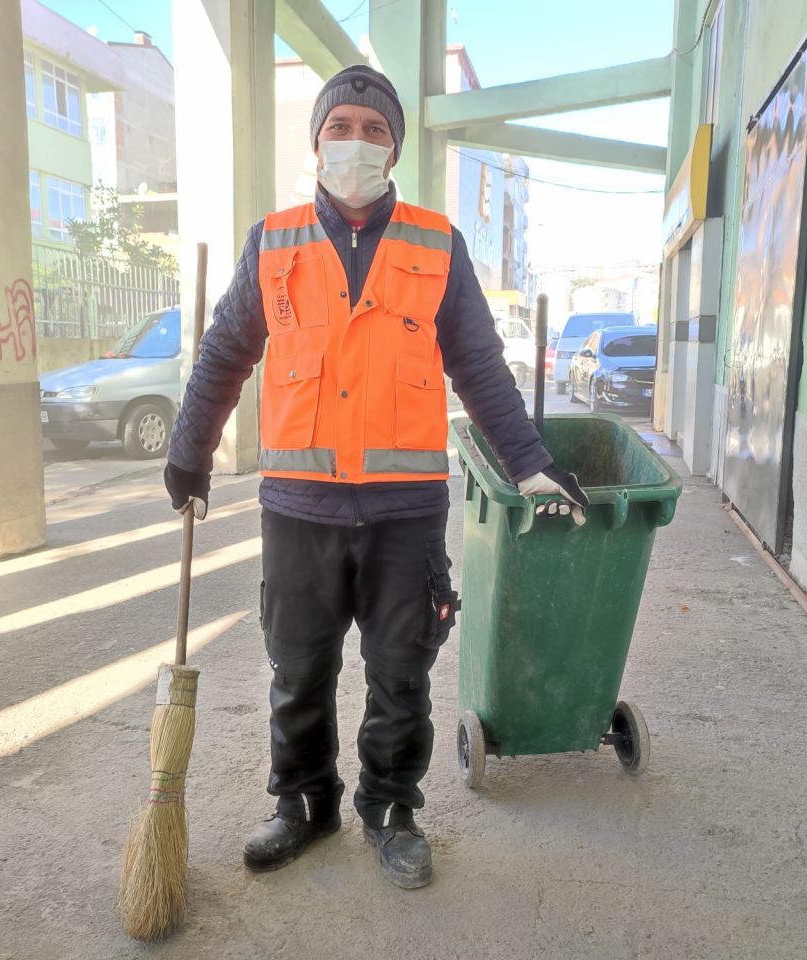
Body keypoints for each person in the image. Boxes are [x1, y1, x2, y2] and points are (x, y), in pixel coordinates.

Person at [164, 64, 587, 890]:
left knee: (401, 668)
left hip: (404, 511)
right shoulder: (274, 242)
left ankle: (391, 806)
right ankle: (303, 803)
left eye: (374, 129)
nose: (355, 142)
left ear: (393, 148)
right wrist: (190, 451)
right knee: (299, 665)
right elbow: (224, 353)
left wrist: (530, 461)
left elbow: (477, 364)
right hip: (299, 508)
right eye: (340, 127)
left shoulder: (436, 245)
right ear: (317, 141)